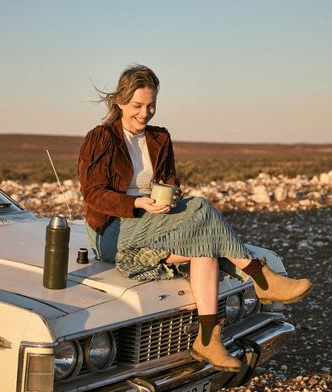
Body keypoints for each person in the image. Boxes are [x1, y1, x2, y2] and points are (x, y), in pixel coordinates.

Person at [78, 64, 312, 372]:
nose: (145, 113)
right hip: (114, 230)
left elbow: (169, 179)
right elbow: (93, 194)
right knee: (200, 206)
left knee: (205, 250)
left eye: (151, 105)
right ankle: (259, 275)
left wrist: (171, 195)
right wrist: (137, 202)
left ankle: (207, 339)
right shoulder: (101, 137)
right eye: (137, 105)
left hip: (154, 222)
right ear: (120, 102)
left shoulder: (160, 138)